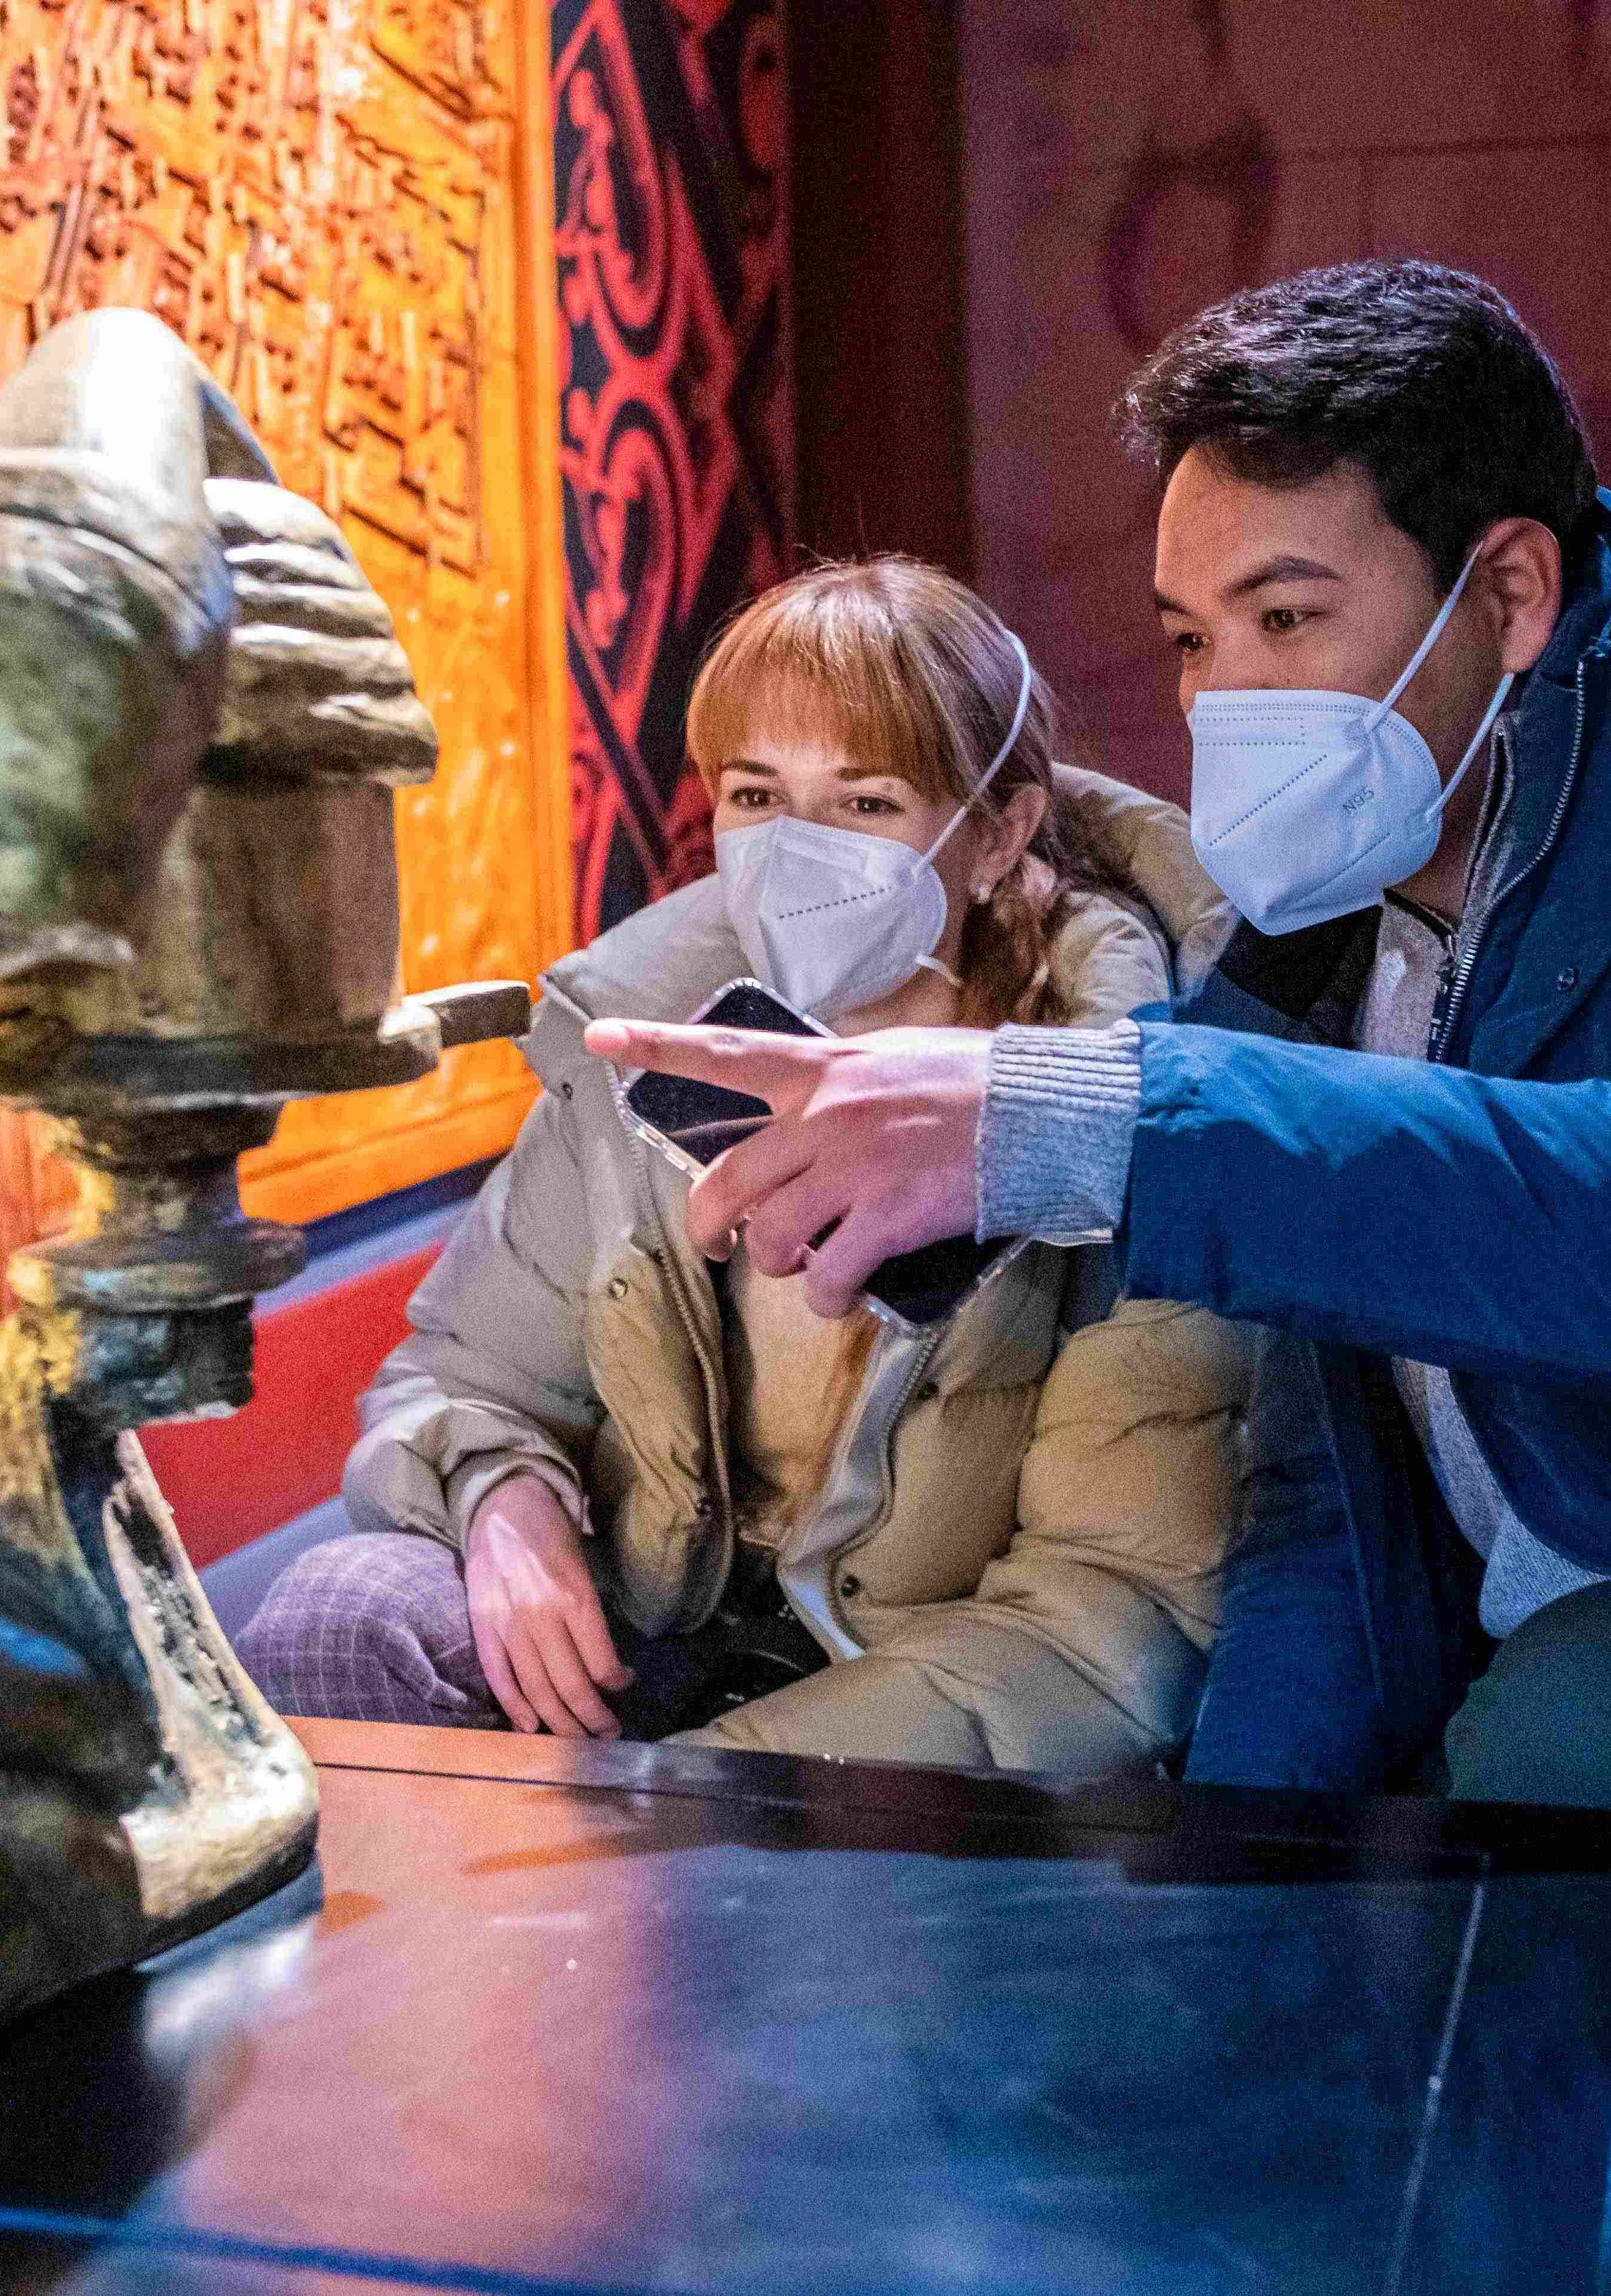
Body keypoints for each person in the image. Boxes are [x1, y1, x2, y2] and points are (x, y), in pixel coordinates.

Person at [593, 261, 1611, 2293]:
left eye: (1289, 618)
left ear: (1507, 592)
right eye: (1190, 637)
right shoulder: (1330, 910)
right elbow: (1328, 1483)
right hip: (1538, 1620)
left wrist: (1091, 1113)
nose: (1224, 705)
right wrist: (1244, 1900)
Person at [236, 558, 1250, 1772]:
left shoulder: (1117, 1105)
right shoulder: (642, 1037)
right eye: (756, 794)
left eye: (864, 802)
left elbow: (1104, 1620)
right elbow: (465, 1374)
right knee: (338, 1613)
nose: (794, 849)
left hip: (922, 1689)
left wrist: (694, 1789)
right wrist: (501, 1499)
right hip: (660, 1622)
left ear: (995, 834)